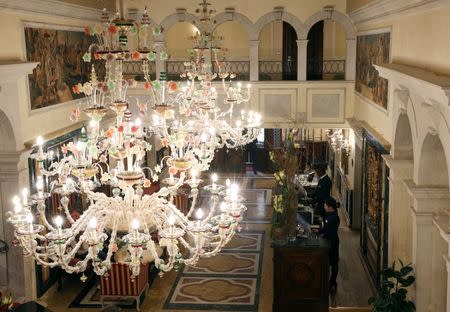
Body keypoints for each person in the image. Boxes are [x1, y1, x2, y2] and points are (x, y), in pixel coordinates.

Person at [321, 197, 340, 293]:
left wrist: (322, 235)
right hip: (331, 241)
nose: (324, 207)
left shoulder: (333, 218)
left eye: (325, 205)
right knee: (333, 262)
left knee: (334, 263)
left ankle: (332, 283)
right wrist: (320, 231)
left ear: (330, 207)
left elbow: (329, 232)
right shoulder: (331, 215)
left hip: (332, 242)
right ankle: (331, 283)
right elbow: (326, 228)